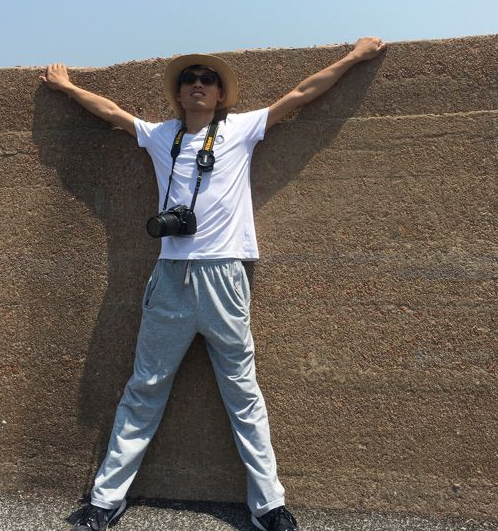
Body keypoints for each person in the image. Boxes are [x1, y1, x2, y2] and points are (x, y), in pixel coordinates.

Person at [40, 37, 387, 531]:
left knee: (243, 393)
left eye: (207, 80)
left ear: (221, 94)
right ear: (179, 93)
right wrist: (67, 86)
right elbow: (111, 112)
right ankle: (106, 499)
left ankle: (268, 505)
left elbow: (301, 95)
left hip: (224, 274)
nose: (197, 85)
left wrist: (355, 57)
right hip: (170, 276)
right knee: (144, 388)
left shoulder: (241, 129)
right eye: (189, 79)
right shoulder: (161, 135)